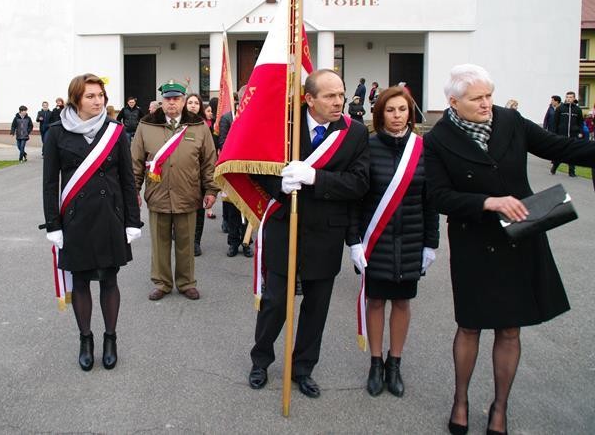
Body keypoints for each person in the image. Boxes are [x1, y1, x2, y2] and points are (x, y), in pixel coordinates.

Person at [423, 64, 595, 435]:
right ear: (453, 102)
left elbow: (560, 146)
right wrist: (488, 201)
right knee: (469, 326)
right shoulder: (437, 140)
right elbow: (437, 196)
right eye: (477, 98)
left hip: (521, 236)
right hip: (474, 241)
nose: (487, 104)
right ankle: (461, 401)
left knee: (510, 329)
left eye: (489, 95)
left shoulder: (511, 121)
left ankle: (500, 408)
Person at [248, 69, 370, 398]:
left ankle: (303, 368)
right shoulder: (285, 126)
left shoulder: (355, 133)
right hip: (285, 227)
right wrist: (279, 186)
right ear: (309, 98)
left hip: (325, 234)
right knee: (274, 303)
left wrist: (316, 178)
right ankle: (260, 359)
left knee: (316, 307)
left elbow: (359, 184)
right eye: (330, 96)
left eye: (341, 95)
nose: (338, 102)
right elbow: (258, 166)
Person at [41, 73, 142, 372]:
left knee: (110, 280)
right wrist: (53, 225)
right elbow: (49, 184)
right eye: (90, 96)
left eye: (101, 96)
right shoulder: (57, 133)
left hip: (110, 217)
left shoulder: (115, 131)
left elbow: (127, 180)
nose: (98, 101)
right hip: (75, 220)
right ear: (76, 99)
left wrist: (132, 221)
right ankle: (86, 339)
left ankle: (110, 338)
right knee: (81, 280)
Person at [356, 86, 439, 398]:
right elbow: (358, 199)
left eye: (402, 110)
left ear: (410, 113)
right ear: (380, 114)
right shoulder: (368, 146)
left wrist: (431, 243)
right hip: (375, 241)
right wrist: (354, 241)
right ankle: (375, 363)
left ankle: (395, 363)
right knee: (376, 301)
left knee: (402, 302)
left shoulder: (423, 148)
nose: (396, 116)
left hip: (411, 239)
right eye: (390, 110)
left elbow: (430, 200)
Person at [131, 80, 219, 301]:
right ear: (162, 101)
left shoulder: (198, 127)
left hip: (188, 194)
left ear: (183, 101)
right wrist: (133, 190)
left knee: (186, 242)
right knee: (159, 244)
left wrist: (211, 189)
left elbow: (209, 161)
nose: (172, 103)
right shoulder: (146, 125)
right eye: (168, 99)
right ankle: (162, 283)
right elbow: (136, 161)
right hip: (158, 193)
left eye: (176, 99)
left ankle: (186, 282)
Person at [218, 87, 253, 257]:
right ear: (239, 97)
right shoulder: (227, 117)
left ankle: (247, 242)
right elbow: (222, 142)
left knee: (247, 209)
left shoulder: (254, 115)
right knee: (232, 210)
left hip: (249, 171)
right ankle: (233, 242)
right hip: (232, 169)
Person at [186, 93, 209, 257]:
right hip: (182, 175)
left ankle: (195, 241)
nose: (193, 105)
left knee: (199, 210)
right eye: (190, 102)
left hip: (199, 175)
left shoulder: (203, 126)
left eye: (196, 103)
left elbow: (209, 154)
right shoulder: (177, 124)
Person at [551, 91, 584, 176]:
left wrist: (580, 132)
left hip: (573, 135)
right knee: (561, 153)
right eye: (567, 97)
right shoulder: (560, 108)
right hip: (562, 135)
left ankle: (572, 172)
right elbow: (555, 122)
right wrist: (554, 134)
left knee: (573, 153)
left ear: (574, 98)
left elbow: (580, 123)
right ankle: (554, 167)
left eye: (570, 97)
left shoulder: (578, 110)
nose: (569, 99)